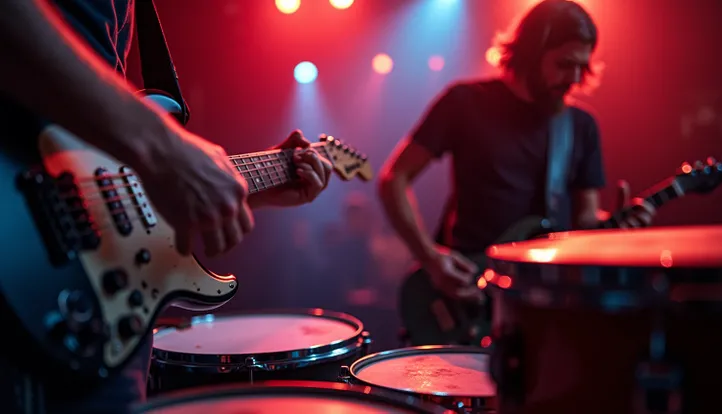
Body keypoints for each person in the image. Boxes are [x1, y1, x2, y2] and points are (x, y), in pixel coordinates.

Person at [0, 1, 331, 413]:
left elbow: (105, 170)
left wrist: (234, 190)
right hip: (23, 267)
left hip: (89, 296)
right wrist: (161, 145)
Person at [377, 0, 655, 329]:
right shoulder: (465, 102)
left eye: (583, 66)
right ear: (530, 53)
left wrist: (617, 226)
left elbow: (584, 221)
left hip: (541, 302)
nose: (575, 78)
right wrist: (431, 258)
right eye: (565, 64)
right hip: (463, 293)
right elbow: (394, 178)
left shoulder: (580, 127)